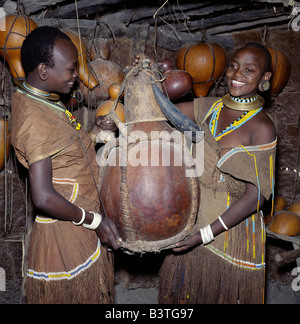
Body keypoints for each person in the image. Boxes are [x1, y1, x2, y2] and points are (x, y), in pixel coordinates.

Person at [10, 26, 121, 304]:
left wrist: (94, 133)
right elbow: (44, 196)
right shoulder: (33, 119)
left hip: (78, 216)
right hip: (68, 229)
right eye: (71, 70)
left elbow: (64, 150)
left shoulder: (45, 98)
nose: (76, 77)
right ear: (44, 71)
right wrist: (95, 221)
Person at [158, 43, 277, 304]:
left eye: (249, 70)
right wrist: (151, 79)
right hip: (193, 217)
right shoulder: (210, 107)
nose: (237, 75)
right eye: (233, 66)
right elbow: (162, 113)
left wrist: (205, 234)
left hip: (229, 231)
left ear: (264, 78)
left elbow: (256, 195)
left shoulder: (262, 128)